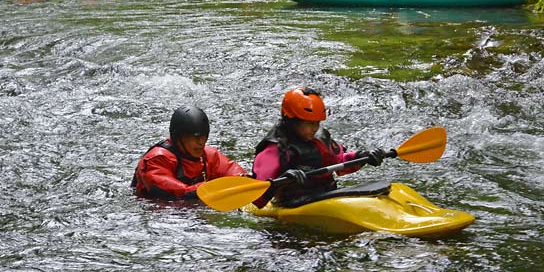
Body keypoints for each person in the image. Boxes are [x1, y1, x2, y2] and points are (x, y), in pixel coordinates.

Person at [251, 87, 385, 207]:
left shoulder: (320, 139)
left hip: (328, 195)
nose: (314, 128)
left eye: (317, 123)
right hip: (293, 203)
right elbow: (258, 195)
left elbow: (339, 163)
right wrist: (283, 179)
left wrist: (363, 158)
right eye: (309, 123)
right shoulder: (275, 148)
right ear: (292, 121)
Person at [132, 106, 245, 201]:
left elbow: (235, 174)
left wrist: (245, 182)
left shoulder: (209, 156)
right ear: (179, 137)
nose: (201, 142)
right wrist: (211, 188)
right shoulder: (157, 159)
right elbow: (176, 192)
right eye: (195, 137)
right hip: (164, 216)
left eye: (204, 136)